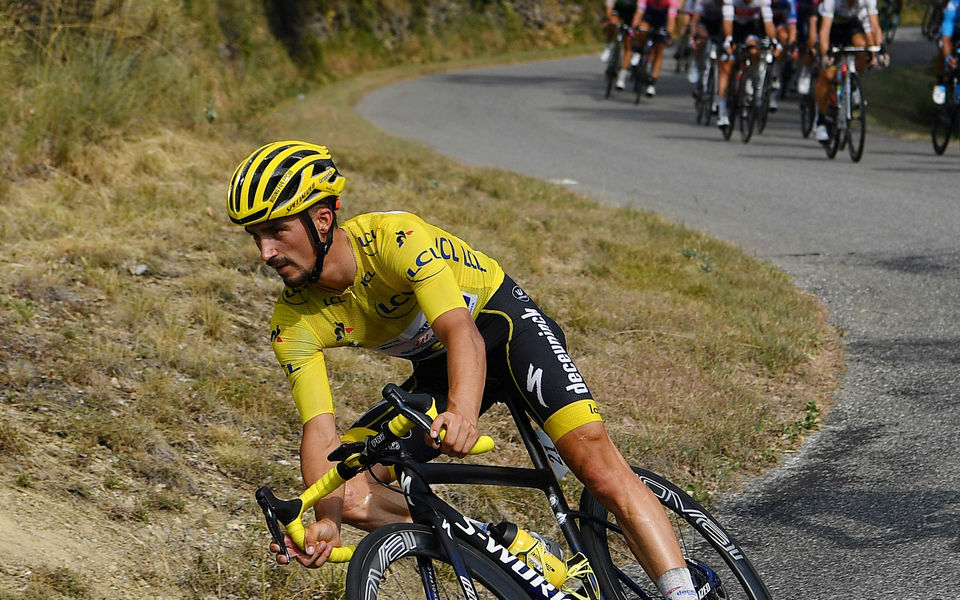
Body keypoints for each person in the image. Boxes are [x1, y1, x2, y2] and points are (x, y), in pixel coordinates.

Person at [227, 141, 700, 600]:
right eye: (255, 237)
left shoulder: (395, 238)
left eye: (275, 232)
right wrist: (327, 520)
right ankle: (508, 548)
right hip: (438, 368)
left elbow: (462, 334)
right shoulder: (292, 321)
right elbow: (320, 434)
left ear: (323, 220)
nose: (265, 253)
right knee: (349, 490)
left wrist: (462, 412)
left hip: (502, 330)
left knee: (597, 469)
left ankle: (682, 593)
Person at [812, 0, 883, 141]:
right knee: (828, 75)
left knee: (863, 48)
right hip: (830, 26)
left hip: (850, 25)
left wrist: (879, 51)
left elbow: (874, 27)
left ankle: (854, 86)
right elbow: (825, 30)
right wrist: (826, 55)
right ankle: (820, 120)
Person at [716, 0, 779, 128]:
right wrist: (728, 40)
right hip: (732, 26)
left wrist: (774, 41)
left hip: (750, 26)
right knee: (726, 64)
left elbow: (768, 22)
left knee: (754, 49)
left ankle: (750, 76)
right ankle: (722, 111)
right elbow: (727, 21)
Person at [633, 0, 681, 96]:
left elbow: (671, 20)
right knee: (642, 30)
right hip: (648, 16)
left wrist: (668, 34)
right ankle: (639, 51)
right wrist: (635, 27)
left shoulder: (671, 1)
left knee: (658, 51)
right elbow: (639, 13)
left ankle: (652, 83)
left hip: (662, 20)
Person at [604, 0, 643, 89]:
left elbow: (640, 10)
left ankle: (621, 78)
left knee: (628, 43)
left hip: (632, 13)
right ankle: (608, 47)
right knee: (612, 23)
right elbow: (610, 4)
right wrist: (609, 17)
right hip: (619, 8)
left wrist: (634, 27)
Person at [934, 0, 960, 104]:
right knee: (942, 45)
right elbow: (945, 38)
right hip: (953, 30)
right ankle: (940, 80)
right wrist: (948, 58)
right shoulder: (953, 6)